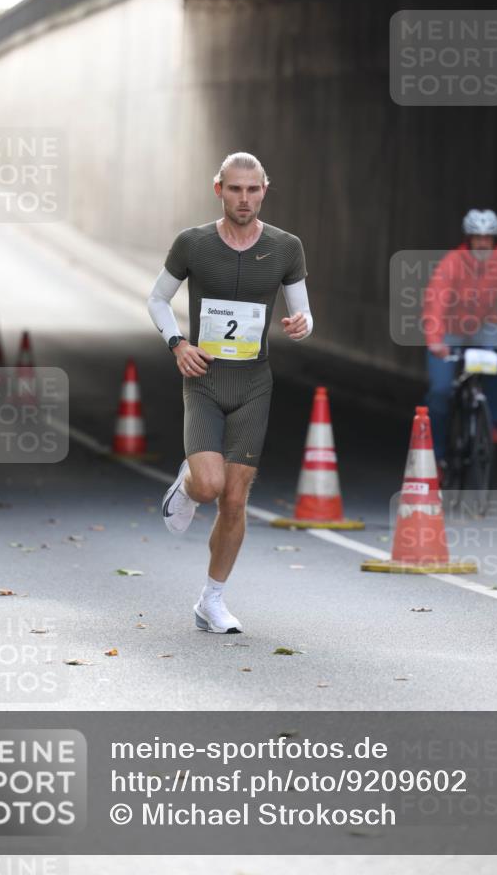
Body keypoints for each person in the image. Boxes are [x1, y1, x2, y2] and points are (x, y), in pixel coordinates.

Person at [148, 152, 313, 634]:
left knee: (235, 500)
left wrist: (301, 324)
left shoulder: (286, 247)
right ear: (218, 189)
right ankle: (186, 485)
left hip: (253, 384)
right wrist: (178, 344)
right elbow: (157, 298)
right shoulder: (193, 243)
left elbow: (304, 312)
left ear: (265, 190)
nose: (245, 198)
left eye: (253, 189)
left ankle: (212, 600)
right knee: (208, 485)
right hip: (204, 378)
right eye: (235, 189)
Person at [423, 208, 497, 467]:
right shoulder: (452, 262)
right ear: (469, 238)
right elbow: (436, 300)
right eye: (478, 237)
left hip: (485, 327)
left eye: (488, 238)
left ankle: (493, 423)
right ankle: (436, 458)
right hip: (450, 329)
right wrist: (435, 339)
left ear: (495, 240)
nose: (483, 243)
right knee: (440, 391)